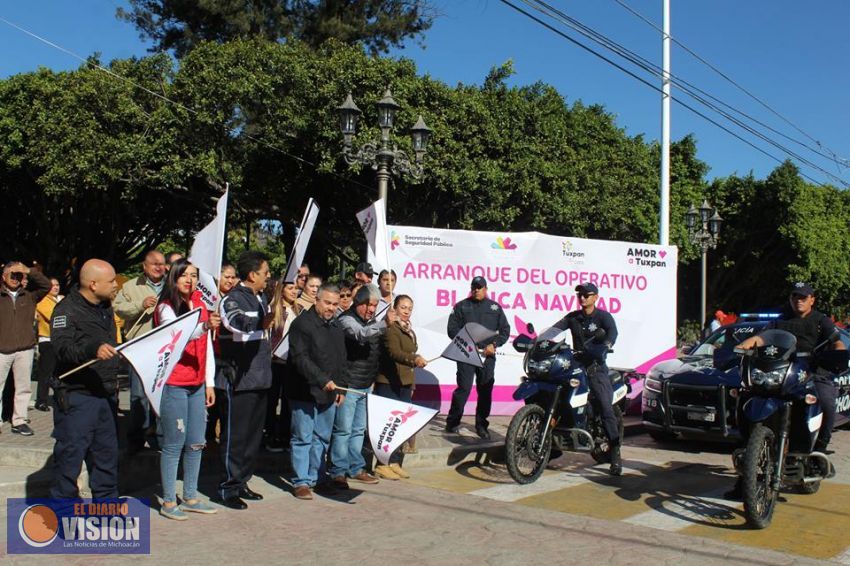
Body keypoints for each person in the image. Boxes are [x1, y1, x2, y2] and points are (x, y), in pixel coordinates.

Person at [726, 282, 845, 498]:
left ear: (812, 299)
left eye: (803, 296)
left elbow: (837, 344)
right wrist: (740, 349)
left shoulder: (821, 321)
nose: (798, 300)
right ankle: (745, 476)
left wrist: (837, 357)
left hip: (810, 372)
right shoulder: (780, 319)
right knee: (746, 397)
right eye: (795, 296)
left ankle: (818, 452)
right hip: (781, 371)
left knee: (826, 401)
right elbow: (760, 338)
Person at [154, 260, 220, 520]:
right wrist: (204, 326)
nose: (190, 280)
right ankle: (169, 500)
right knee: (174, 443)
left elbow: (207, 349)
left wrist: (209, 382)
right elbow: (178, 334)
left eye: (194, 276)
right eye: (184, 275)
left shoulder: (201, 305)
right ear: (174, 277)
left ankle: (191, 495)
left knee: (196, 442)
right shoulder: (165, 307)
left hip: (196, 384)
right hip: (174, 383)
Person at [50, 259, 121, 498]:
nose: (115, 285)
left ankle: (107, 510)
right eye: (111, 281)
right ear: (93, 284)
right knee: (70, 459)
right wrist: (93, 348)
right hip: (77, 396)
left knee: (106, 457)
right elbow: (61, 348)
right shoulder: (66, 310)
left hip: (106, 394)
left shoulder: (105, 308)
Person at [216, 251, 273, 510]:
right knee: (236, 435)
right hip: (238, 378)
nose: (268, 277)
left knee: (252, 436)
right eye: (265, 273)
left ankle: (242, 481)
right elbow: (235, 323)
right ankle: (228, 487)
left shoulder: (261, 298)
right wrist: (262, 321)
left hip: (260, 377)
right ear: (252, 275)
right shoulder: (232, 299)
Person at [552, 282, 621, 476]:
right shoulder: (573, 318)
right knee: (557, 396)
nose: (582, 298)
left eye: (587, 295)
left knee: (605, 406)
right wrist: (540, 339)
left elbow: (612, 333)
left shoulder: (603, 317)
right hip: (576, 366)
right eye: (580, 295)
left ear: (595, 297)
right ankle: (552, 446)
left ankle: (615, 453)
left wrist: (606, 344)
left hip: (595, 368)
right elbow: (555, 329)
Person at [288, 284, 347, 500]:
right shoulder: (301, 324)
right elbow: (300, 358)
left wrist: (341, 386)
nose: (331, 307)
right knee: (302, 437)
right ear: (317, 300)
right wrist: (323, 380)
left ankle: (318, 478)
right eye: (327, 303)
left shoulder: (336, 326)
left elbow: (342, 358)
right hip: (304, 390)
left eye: (335, 304)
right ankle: (301, 482)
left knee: (322, 437)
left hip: (330, 392)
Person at [330, 284, 389, 485]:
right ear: (359, 303)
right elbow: (360, 334)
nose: (372, 309)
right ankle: (338, 470)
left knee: (358, 430)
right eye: (369, 305)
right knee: (343, 430)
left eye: (375, 305)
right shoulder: (346, 319)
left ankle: (355, 468)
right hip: (348, 386)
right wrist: (384, 324)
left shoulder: (372, 321)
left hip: (365, 385)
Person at [114, 249, 166, 451]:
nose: (159, 267)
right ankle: (136, 439)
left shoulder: (172, 285)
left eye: (162, 263)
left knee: (162, 395)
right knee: (138, 395)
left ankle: (161, 439)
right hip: (140, 347)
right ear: (144, 266)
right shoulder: (130, 286)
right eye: (154, 263)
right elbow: (118, 308)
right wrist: (139, 305)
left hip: (164, 348)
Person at [445, 276, 510, 440]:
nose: (476, 290)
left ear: (486, 289)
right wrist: (466, 343)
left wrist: (494, 345)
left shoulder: (495, 308)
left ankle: (481, 425)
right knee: (463, 389)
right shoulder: (461, 306)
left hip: (487, 356)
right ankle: (452, 422)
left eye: (480, 287)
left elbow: (505, 330)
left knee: (485, 391)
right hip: (466, 354)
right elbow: (451, 329)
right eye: (474, 287)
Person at [375, 294, 427, 479]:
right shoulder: (391, 328)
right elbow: (394, 352)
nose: (406, 311)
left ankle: (394, 461)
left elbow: (409, 352)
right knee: (386, 427)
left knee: (400, 427)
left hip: (404, 384)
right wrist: (414, 359)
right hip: (389, 383)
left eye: (409, 308)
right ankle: (382, 464)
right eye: (403, 307)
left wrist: (411, 383)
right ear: (395, 308)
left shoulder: (408, 330)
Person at [0, 261, 51, 435]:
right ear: (3, 276)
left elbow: (47, 285)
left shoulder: (29, 296)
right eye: (12, 275)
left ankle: (19, 420)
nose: (15, 278)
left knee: (23, 387)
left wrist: (28, 270)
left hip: (25, 349)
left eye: (18, 275)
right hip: (2, 349)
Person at [265, 280, 302, 453]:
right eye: (290, 288)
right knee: (272, 400)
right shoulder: (273, 309)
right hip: (275, 361)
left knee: (288, 401)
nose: (294, 291)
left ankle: (285, 435)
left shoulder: (299, 310)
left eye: (296, 288)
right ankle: (270, 435)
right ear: (282, 290)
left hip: (291, 361)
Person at [34, 277, 63, 412]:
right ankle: (41, 400)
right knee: (46, 372)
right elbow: (54, 317)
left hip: (60, 341)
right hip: (47, 340)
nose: (56, 287)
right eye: (52, 286)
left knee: (59, 372)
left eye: (57, 285)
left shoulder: (61, 300)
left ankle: (59, 398)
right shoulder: (43, 301)